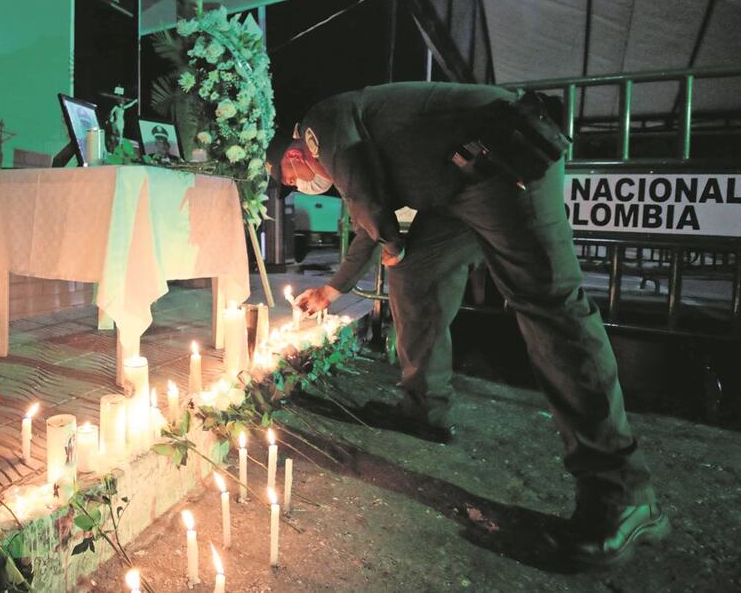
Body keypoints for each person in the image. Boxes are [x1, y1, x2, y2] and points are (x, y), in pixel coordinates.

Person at [269, 81, 668, 568]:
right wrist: (336, 287)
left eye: (288, 179)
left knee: (551, 309)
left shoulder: (319, 122)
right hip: (456, 187)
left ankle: (622, 495)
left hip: (501, 160)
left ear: (293, 152)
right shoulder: (336, 127)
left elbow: (368, 202)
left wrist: (388, 245)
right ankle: (424, 409)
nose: (298, 187)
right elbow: (366, 216)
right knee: (414, 275)